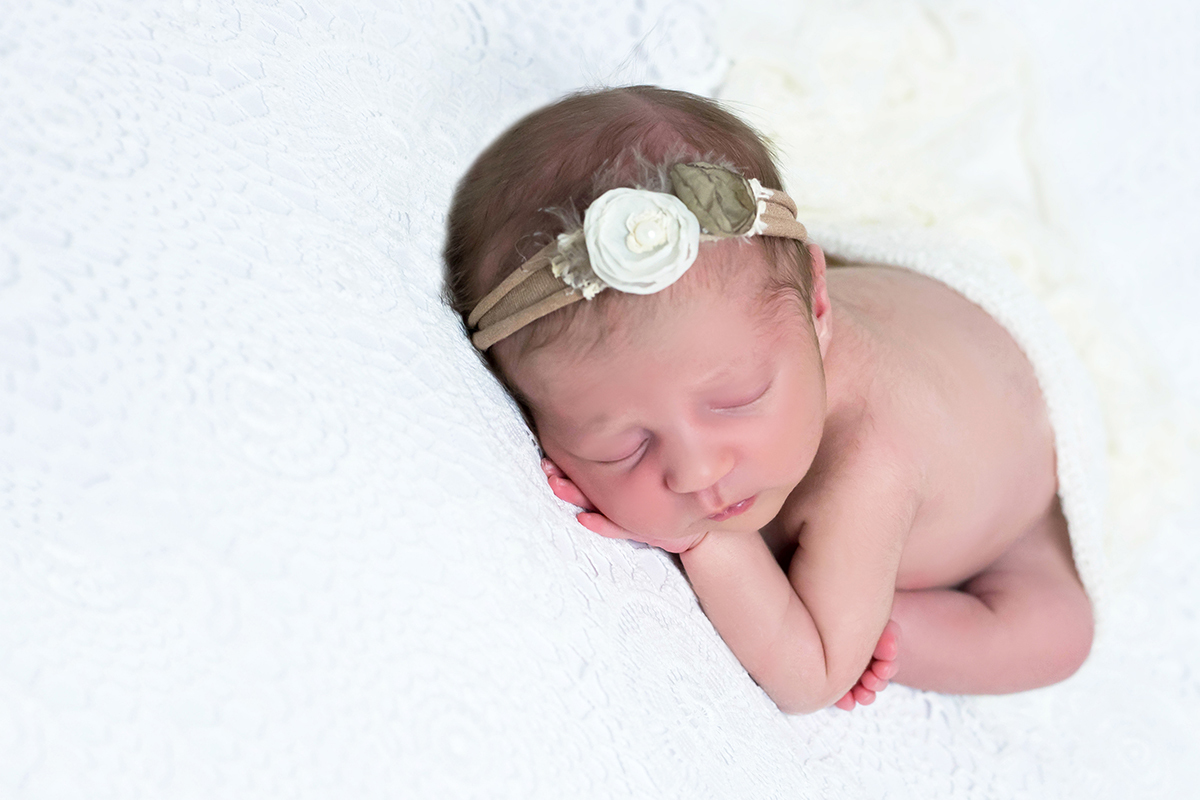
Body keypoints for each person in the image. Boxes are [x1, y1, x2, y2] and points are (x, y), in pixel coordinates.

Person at [443, 85, 1094, 714]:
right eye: (622, 446)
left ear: (818, 305)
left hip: (1016, 471)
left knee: (1057, 635)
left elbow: (810, 677)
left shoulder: (869, 463)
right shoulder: (741, 343)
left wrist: (709, 546)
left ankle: (879, 621)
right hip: (921, 336)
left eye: (735, 400)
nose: (698, 472)